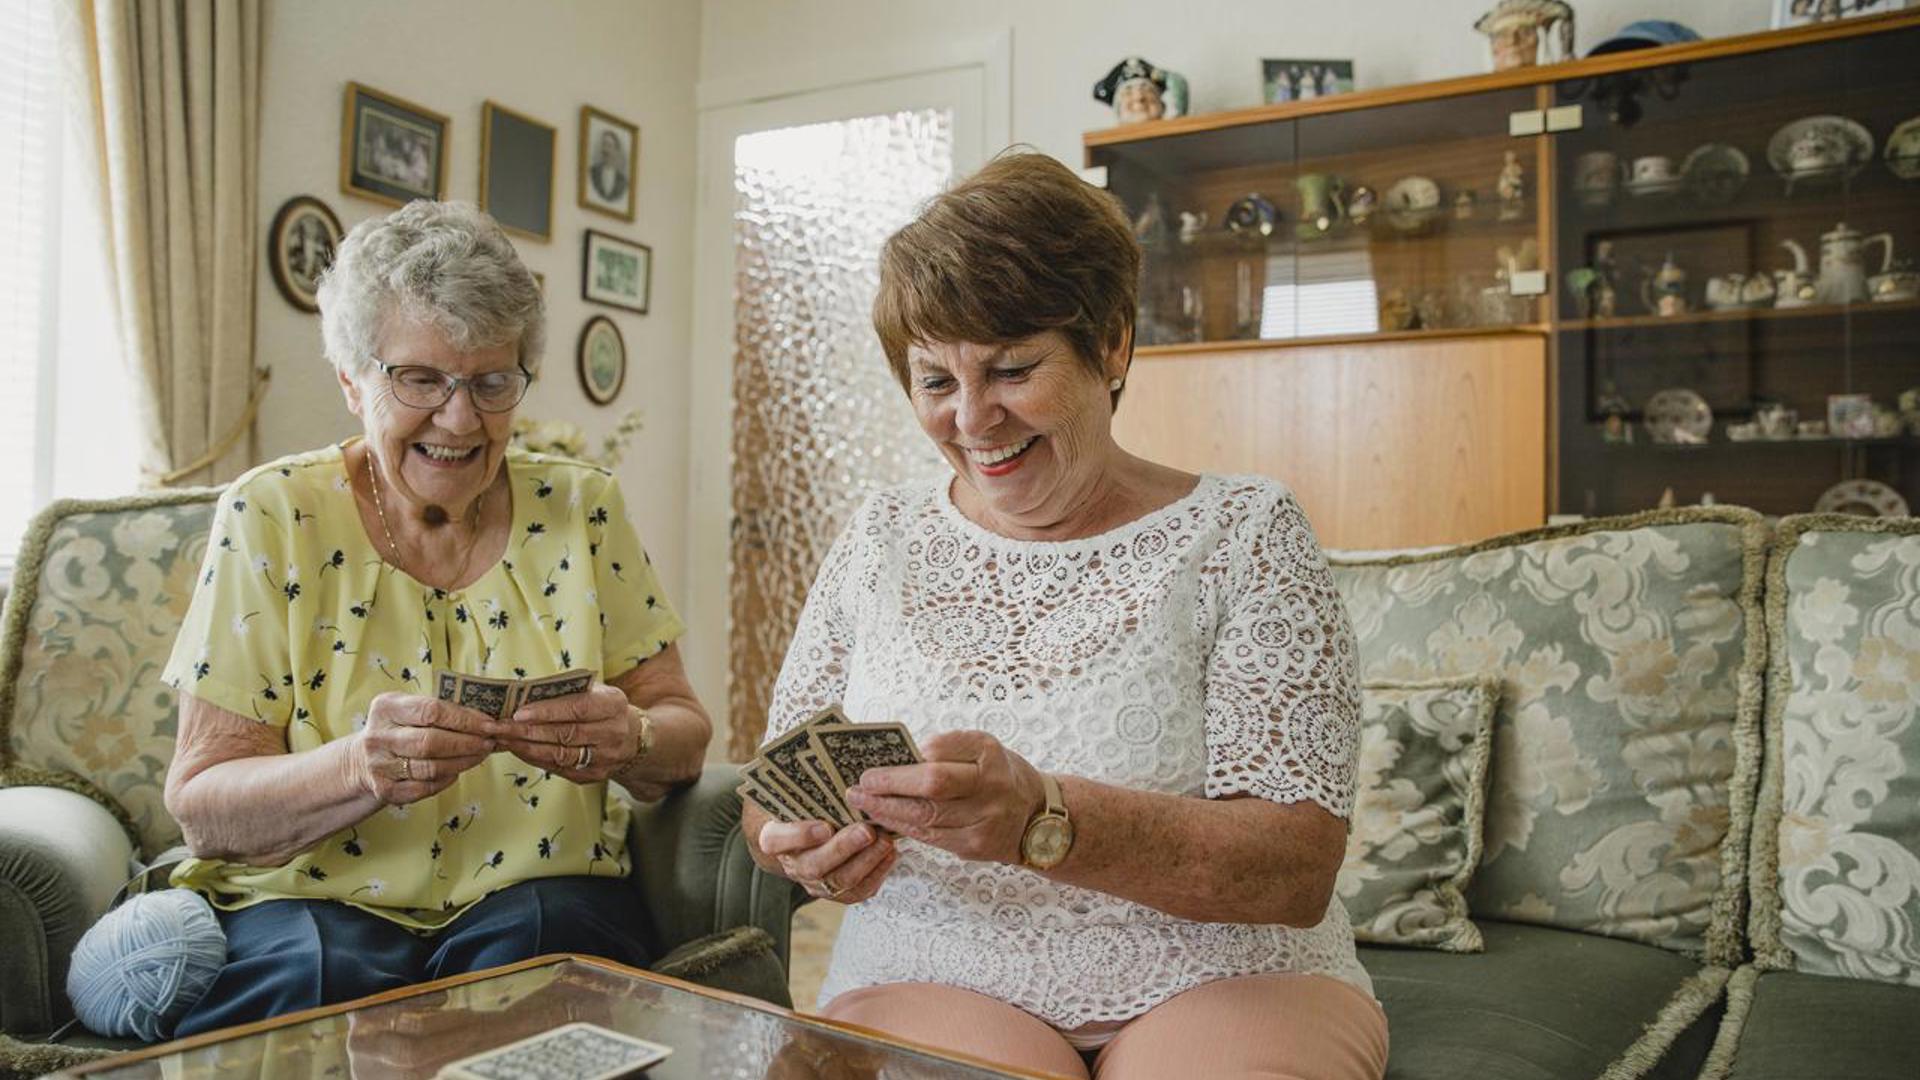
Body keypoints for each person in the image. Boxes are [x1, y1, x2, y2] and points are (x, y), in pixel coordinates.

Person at [743, 151, 1388, 1079]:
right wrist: (798, 848)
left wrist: (1043, 819)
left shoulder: (1246, 532)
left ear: (1113, 345)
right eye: (934, 381)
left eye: (1011, 369)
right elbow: (773, 788)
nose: (972, 420)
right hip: (935, 971)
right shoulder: (877, 536)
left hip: (1225, 973)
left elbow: (1294, 868)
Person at [160, 200, 708, 1035]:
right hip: (315, 902)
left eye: (492, 382)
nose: (461, 419)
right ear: (351, 379)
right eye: (421, 379)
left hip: (540, 893)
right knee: (318, 975)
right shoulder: (271, 515)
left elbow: (684, 729)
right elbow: (203, 804)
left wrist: (630, 736)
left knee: (543, 953)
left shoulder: (581, 507)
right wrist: (358, 770)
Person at [589, 129, 630, 204]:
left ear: (616, 151)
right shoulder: (592, 172)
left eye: (609, 146)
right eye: (604, 145)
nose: (605, 150)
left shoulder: (623, 182)